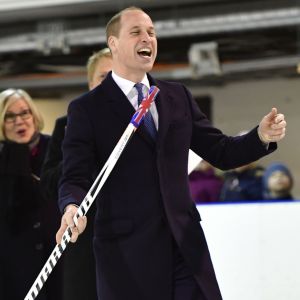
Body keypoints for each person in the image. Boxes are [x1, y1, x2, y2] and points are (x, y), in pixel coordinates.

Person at [56, 7, 287, 300]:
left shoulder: (177, 96)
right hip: (127, 253)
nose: (148, 39)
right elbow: (74, 174)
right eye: (136, 32)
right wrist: (71, 207)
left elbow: (220, 151)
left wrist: (260, 136)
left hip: (185, 246)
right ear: (113, 43)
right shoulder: (87, 109)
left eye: (152, 32)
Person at [40, 48, 112, 300]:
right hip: (83, 242)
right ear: (91, 83)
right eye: (104, 76)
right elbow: (48, 180)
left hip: (131, 241)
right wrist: (81, 156)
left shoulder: (138, 123)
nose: (111, 83)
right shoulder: (68, 123)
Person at [0, 89, 62, 300]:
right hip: (15, 264)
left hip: (57, 255)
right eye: (10, 116)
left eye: (25, 113)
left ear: (34, 116)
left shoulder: (57, 147)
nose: (19, 121)